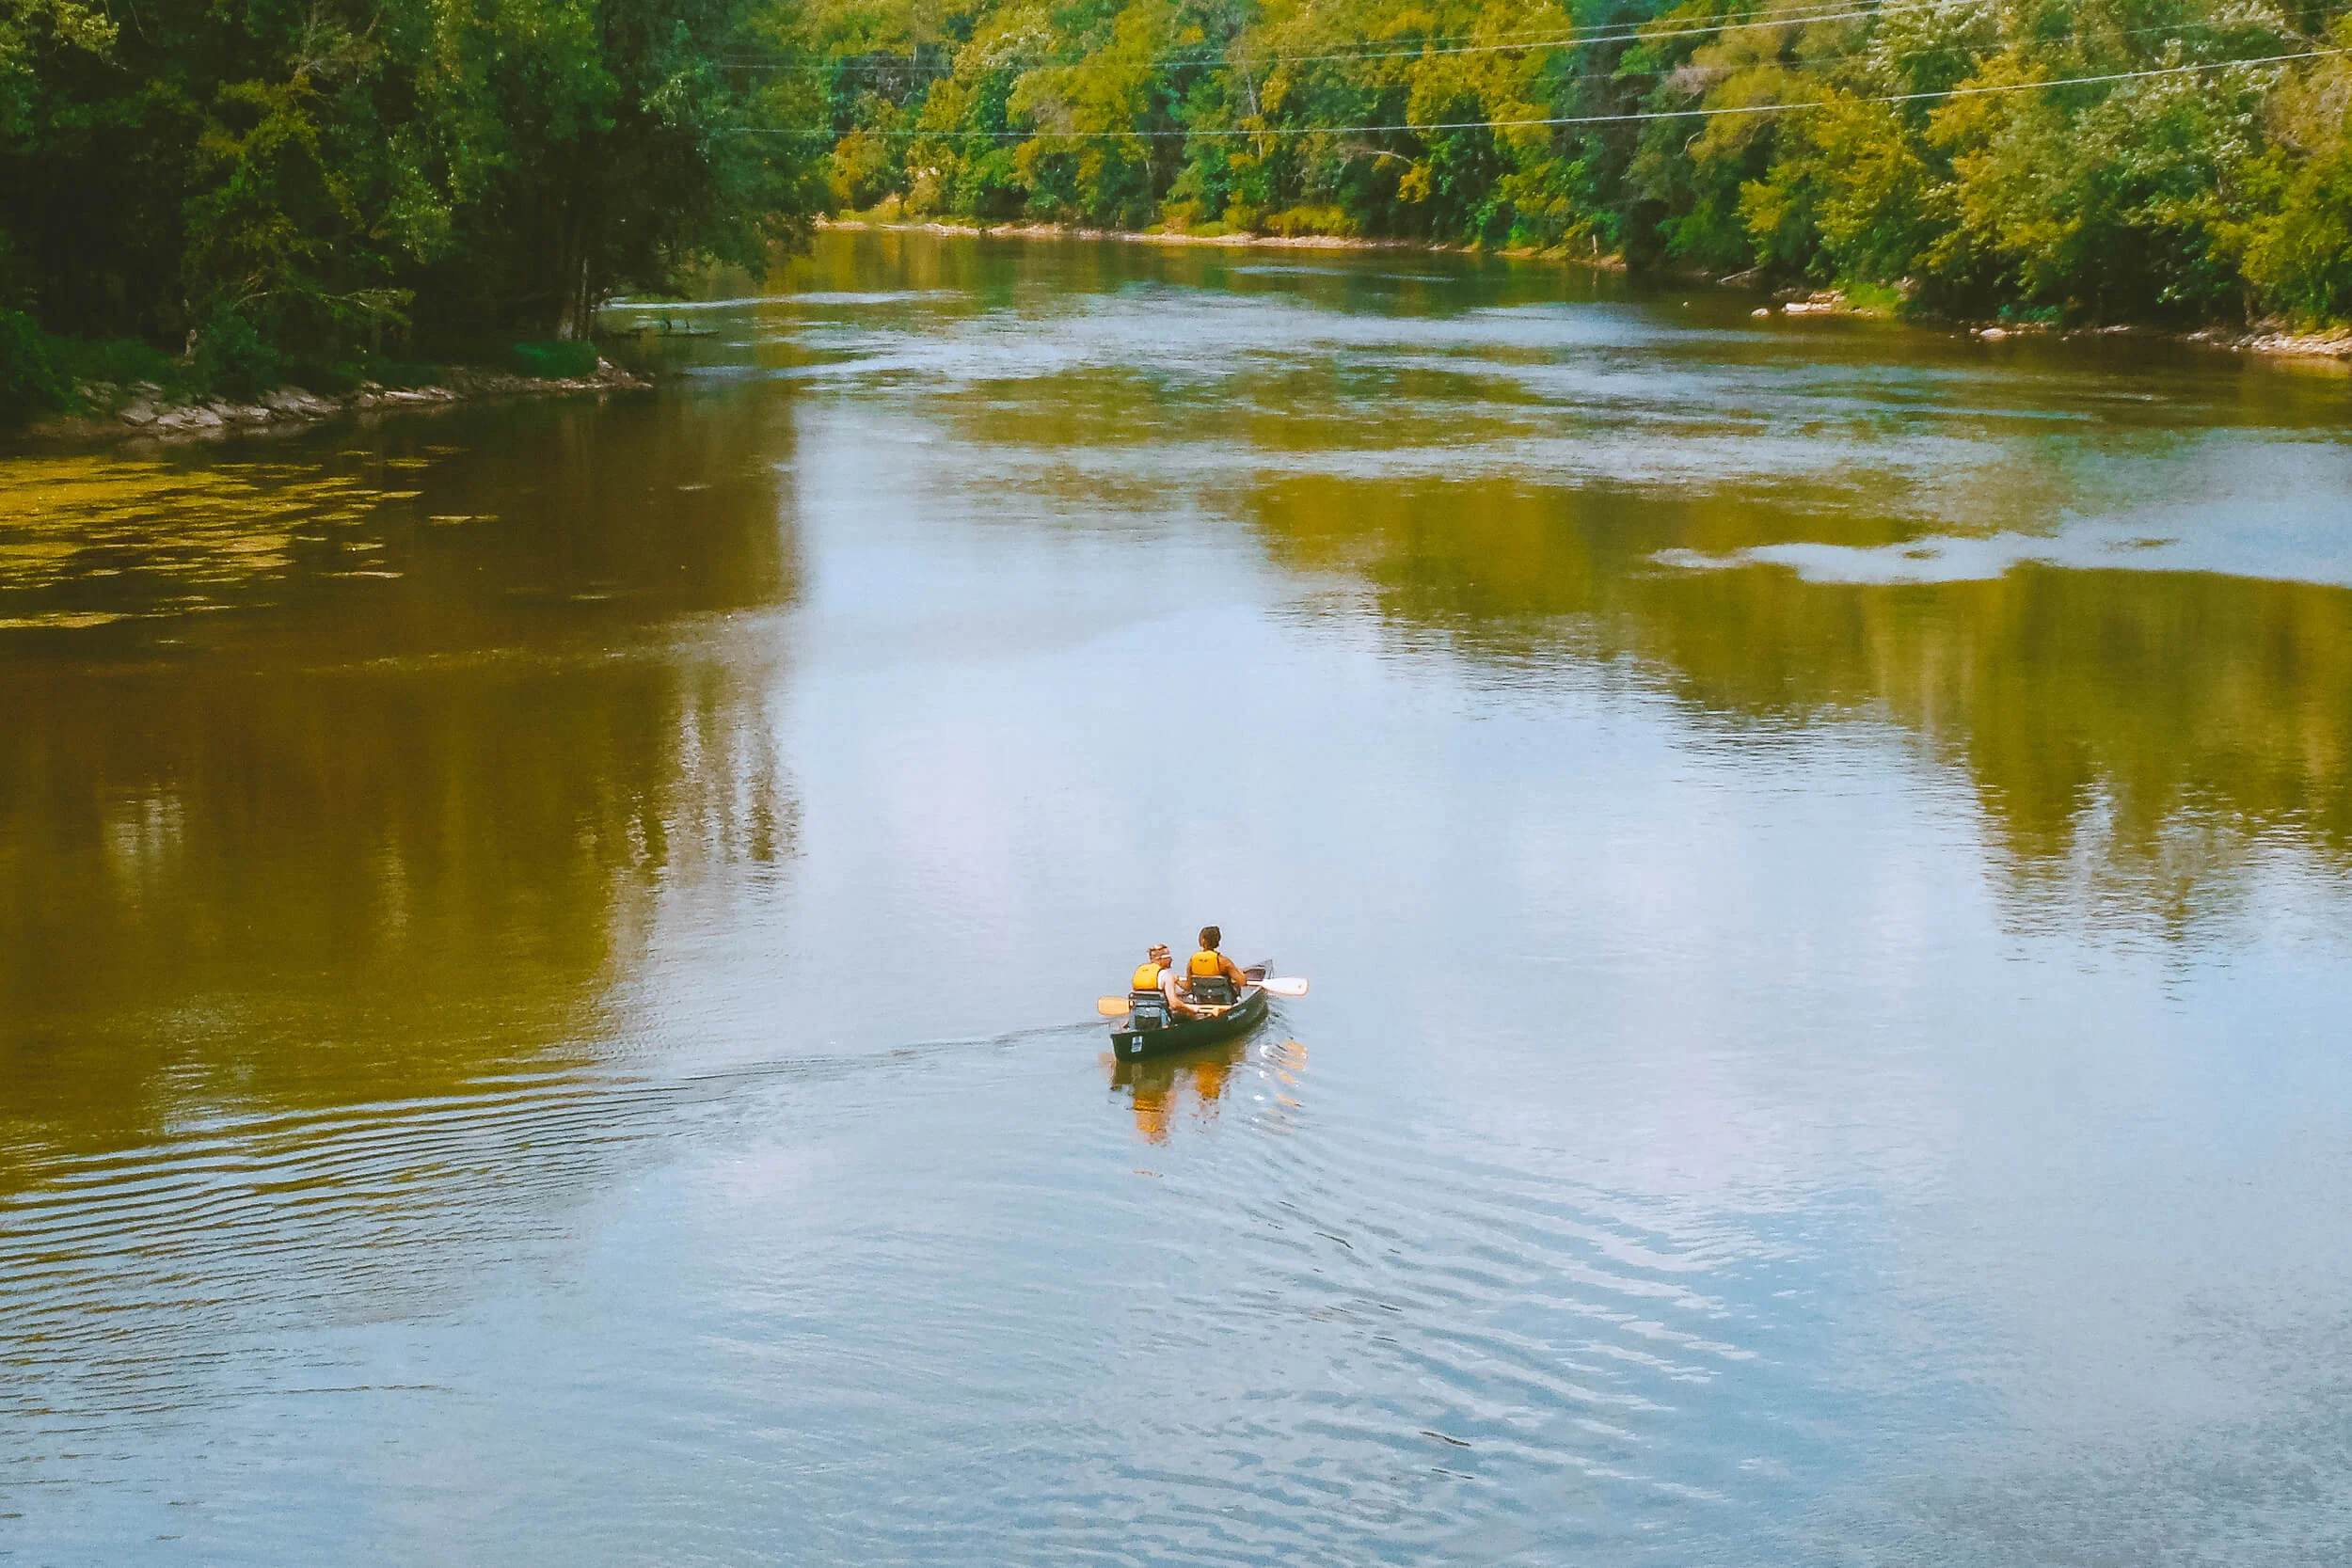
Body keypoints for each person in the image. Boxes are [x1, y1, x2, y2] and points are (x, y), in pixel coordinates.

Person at [1182, 926, 1249, 1009]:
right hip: (1224, 1002)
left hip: (1203, 1001)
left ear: (1203, 941)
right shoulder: (1224, 962)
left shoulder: (1192, 961)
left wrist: (1176, 980)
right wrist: (1241, 973)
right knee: (1234, 985)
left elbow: (1188, 986)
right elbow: (1242, 982)